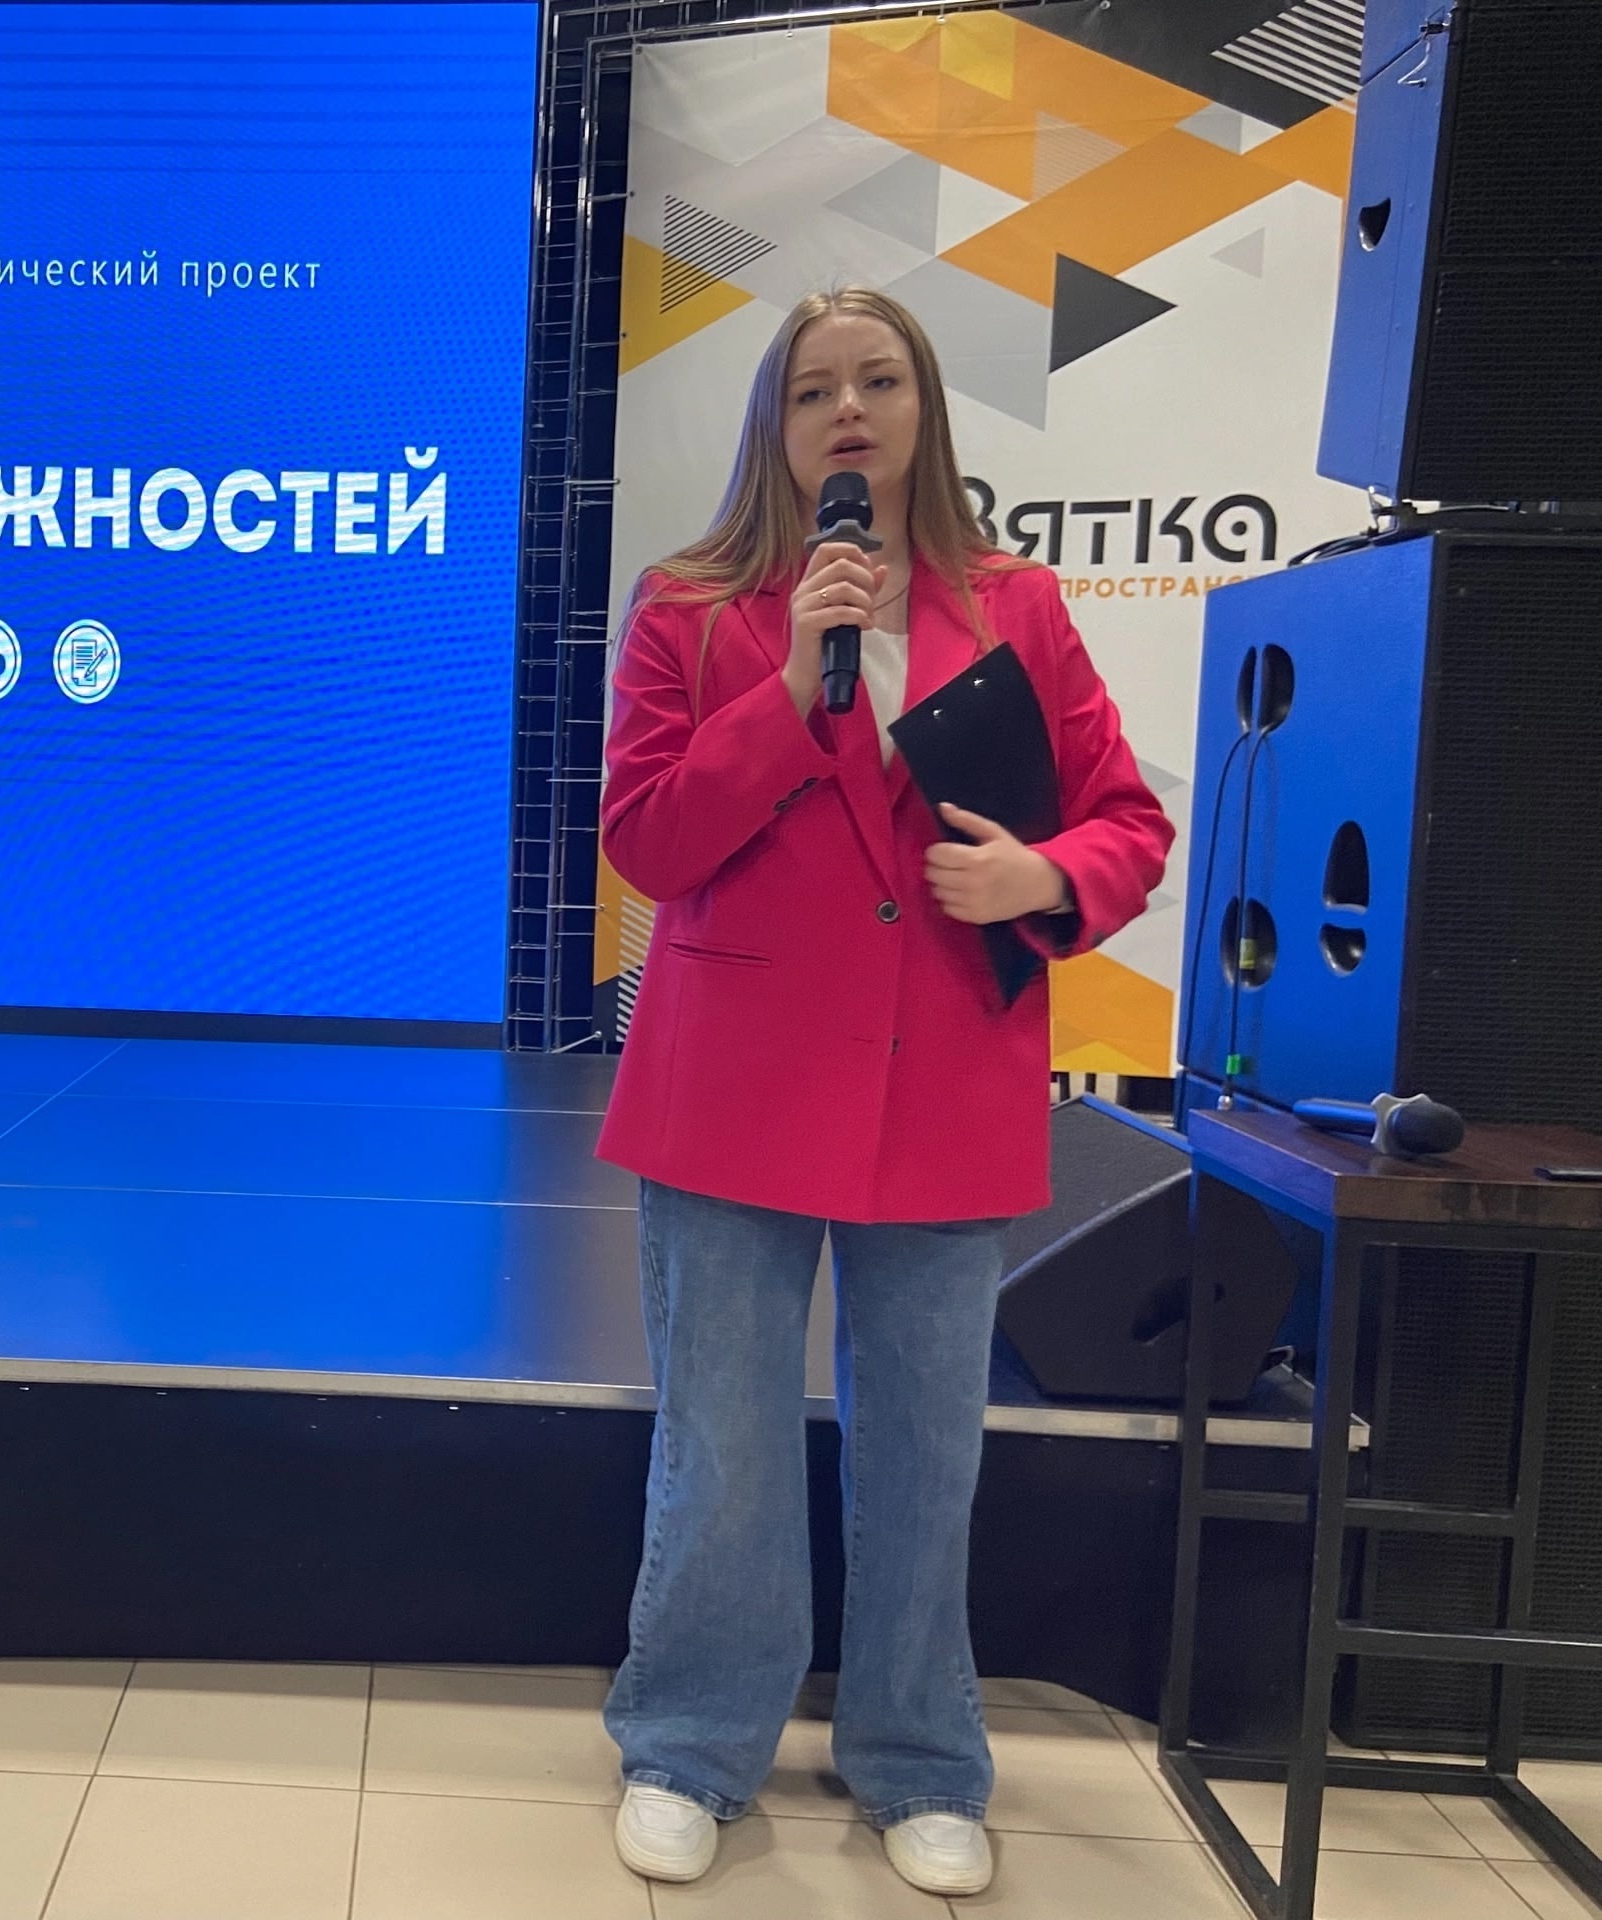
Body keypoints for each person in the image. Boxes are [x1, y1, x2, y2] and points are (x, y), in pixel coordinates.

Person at [592, 286, 1175, 1895]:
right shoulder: (692, 607)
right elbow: (645, 842)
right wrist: (788, 691)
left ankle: (920, 1756)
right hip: (732, 1088)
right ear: (774, 428)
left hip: (944, 1090)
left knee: (928, 1453)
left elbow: (1126, 822)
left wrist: (1045, 877)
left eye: (880, 379)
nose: (848, 409)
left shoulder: (1018, 607)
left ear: (924, 409)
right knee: (722, 1447)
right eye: (812, 389)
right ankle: (688, 1744)